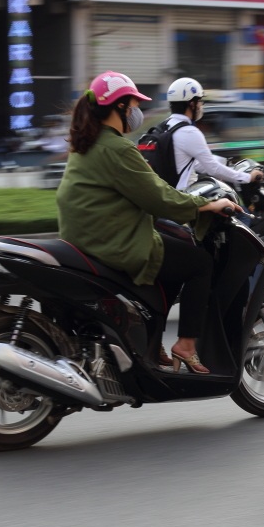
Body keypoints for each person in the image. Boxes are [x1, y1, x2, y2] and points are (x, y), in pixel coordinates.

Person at [56, 71, 242, 374]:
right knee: (199, 263)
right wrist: (207, 205)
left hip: (87, 237)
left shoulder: (87, 144)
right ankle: (186, 344)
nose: (137, 112)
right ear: (119, 107)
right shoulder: (117, 148)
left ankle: (152, 342)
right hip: (112, 242)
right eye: (133, 105)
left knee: (171, 257)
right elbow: (159, 198)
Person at [164, 77, 264, 191]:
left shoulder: (165, 126)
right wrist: (248, 177)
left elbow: (193, 163)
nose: (201, 105)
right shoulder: (189, 132)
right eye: (200, 101)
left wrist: (224, 163)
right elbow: (213, 169)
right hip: (185, 196)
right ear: (192, 104)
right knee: (228, 200)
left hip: (168, 193)